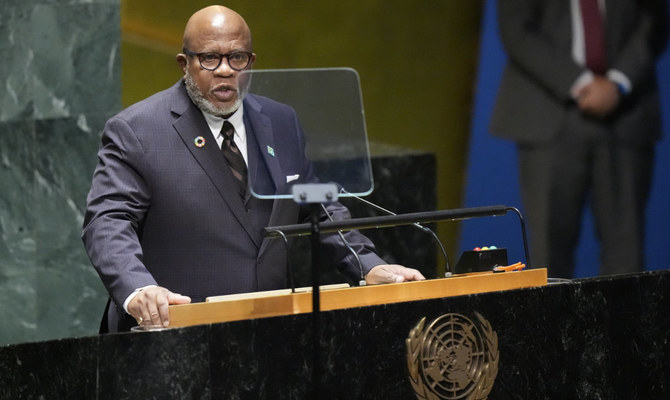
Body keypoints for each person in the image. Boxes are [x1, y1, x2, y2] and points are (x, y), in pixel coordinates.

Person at [82, 5, 424, 333]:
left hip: (271, 331)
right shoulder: (138, 130)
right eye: (209, 58)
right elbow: (107, 221)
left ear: (252, 62)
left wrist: (368, 265)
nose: (225, 70)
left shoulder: (280, 120)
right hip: (176, 330)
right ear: (184, 64)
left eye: (237, 58)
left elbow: (318, 205)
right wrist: (138, 288)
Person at [490, 0, 668, 278]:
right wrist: (581, 83)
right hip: (547, 113)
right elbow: (516, 27)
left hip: (626, 114)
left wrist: (617, 83)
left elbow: (653, 20)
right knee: (548, 256)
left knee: (626, 254)